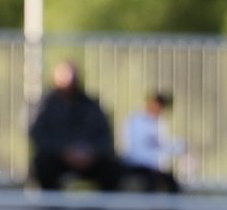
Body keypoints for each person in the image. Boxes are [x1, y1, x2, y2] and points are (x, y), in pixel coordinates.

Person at [27, 60, 120, 191]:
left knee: (112, 168)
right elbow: (38, 135)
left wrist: (90, 153)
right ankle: (50, 203)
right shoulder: (45, 106)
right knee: (44, 166)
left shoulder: (90, 106)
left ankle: (104, 203)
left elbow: (105, 136)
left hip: (90, 158)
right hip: (56, 158)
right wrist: (63, 151)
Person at [119, 90, 187, 193]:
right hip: (138, 165)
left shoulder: (160, 123)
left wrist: (179, 147)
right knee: (152, 183)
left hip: (155, 168)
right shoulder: (135, 121)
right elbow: (134, 149)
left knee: (172, 184)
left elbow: (162, 144)